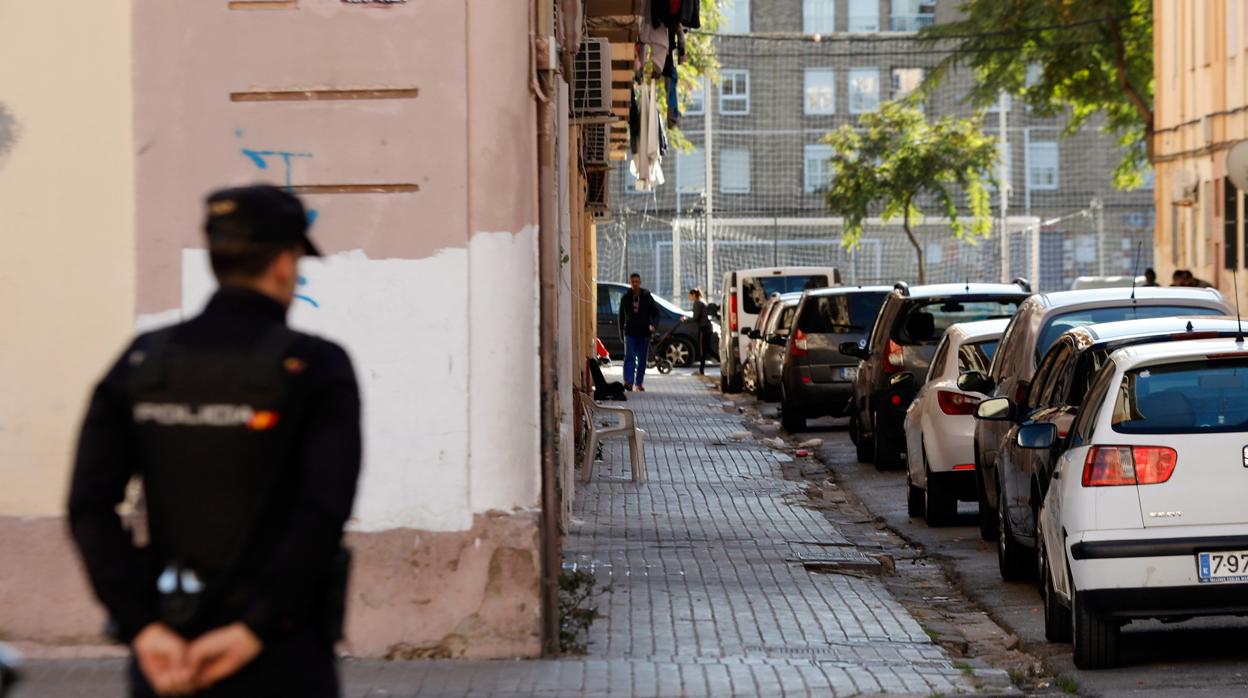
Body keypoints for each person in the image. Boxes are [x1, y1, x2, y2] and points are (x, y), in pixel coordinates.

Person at [68, 185, 361, 698]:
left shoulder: (144, 362)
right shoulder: (316, 367)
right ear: (285, 263)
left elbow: (89, 506)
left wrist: (142, 627)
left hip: (170, 651)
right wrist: (254, 630)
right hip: (281, 657)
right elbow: (321, 513)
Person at [618, 272, 658, 392]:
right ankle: (628, 382)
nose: (635, 284)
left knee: (642, 360)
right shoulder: (625, 298)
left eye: (637, 282)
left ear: (640, 283)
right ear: (630, 283)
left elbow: (655, 312)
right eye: (633, 282)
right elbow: (621, 317)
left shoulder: (647, 297)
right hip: (630, 332)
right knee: (629, 357)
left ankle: (639, 383)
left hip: (644, 332)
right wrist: (621, 333)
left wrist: (653, 325)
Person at [682, 288, 712, 375]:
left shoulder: (697, 303)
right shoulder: (701, 301)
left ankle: (701, 370)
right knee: (708, 349)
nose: (689, 297)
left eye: (690, 295)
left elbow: (695, 318)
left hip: (703, 329)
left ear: (694, 295)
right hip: (707, 328)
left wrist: (685, 320)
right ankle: (720, 361)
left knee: (703, 349)